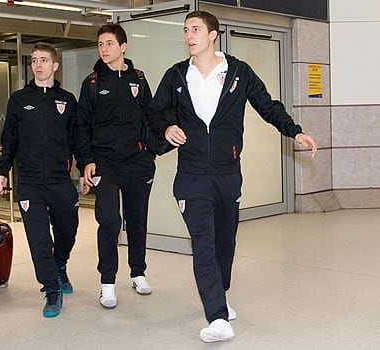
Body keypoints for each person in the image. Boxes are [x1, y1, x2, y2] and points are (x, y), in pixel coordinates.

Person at [147, 11, 318, 343]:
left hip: (228, 174)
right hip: (192, 175)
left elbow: (268, 106)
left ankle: (219, 295)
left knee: (225, 242)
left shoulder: (238, 72)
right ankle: (217, 316)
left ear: (213, 35)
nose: (189, 35)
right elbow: (153, 112)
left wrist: (295, 132)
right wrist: (166, 128)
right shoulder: (177, 75)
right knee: (204, 246)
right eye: (185, 30)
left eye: (195, 29)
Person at [0, 43, 83, 318]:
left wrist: (87, 167)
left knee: (69, 228)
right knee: (38, 238)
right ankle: (51, 289)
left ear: (55, 66)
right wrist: (1, 171)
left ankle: (60, 263)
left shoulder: (67, 100)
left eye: (44, 60)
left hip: (60, 180)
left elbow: (78, 139)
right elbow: (9, 139)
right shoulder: (19, 99)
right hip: (30, 182)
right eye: (34, 61)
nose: (38, 65)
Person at [77, 24, 156, 309]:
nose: (104, 48)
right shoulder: (93, 82)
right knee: (110, 220)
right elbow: (81, 126)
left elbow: (151, 117)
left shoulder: (139, 79)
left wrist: (151, 153)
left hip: (137, 162)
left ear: (123, 47)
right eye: (100, 44)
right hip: (105, 164)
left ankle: (138, 273)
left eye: (109, 43)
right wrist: (86, 161)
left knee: (137, 221)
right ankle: (107, 282)